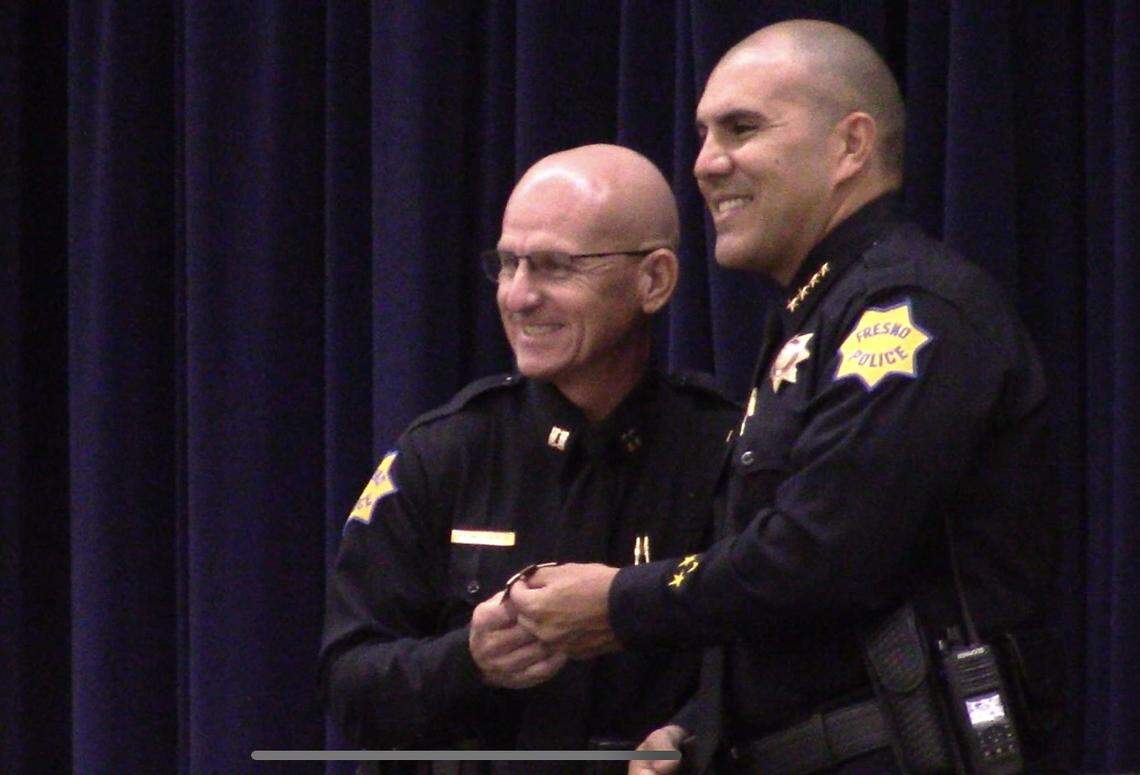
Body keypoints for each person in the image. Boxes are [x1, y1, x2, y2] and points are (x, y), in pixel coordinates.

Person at [509, 20, 1062, 773]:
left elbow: (819, 558)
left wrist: (617, 604)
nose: (706, 164)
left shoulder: (909, 311)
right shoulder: (819, 316)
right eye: (702, 135)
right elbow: (810, 630)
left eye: (741, 129)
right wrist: (699, 728)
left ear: (850, 146)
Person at [318, 144, 740, 767]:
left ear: (653, 280)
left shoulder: (723, 450)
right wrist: (468, 661)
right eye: (508, 264)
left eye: (553, 267)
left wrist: (689, 730)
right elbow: (348, 683)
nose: (517, 297)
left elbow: (771, 656)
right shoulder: (447, 451)